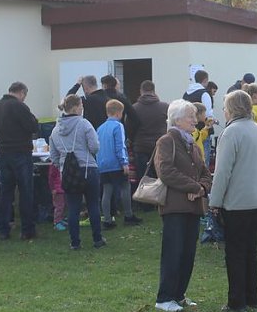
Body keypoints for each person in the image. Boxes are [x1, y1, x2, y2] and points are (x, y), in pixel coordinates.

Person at [209, 90, 257, 312]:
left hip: (237, 201)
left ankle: (237, 300)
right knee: (250, 250)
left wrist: (214, 202)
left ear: (232, 109)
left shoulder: (231, 132)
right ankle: (252, 296)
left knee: (235, 252)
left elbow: (222, 171)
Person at [153, 99, 213, 312]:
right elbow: (166, 171)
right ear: (177, 119)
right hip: (174, 207)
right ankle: (164, 297)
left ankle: (179, 294)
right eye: (190, 116)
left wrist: (201, 188)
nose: (195, 120)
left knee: (188, 252)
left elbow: (205, 172)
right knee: (173, 251)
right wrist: (193, 186)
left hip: (193, 207)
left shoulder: (192, 143)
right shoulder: (167, 141)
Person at [49, 95, 106, 250]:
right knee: (93, 204)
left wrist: (62, 164)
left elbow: (53, 155)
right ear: (75, 107)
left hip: (67, 173)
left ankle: (75, 242)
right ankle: (97, 239)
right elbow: (94, 147)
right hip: (87, 168)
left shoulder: (55, 130)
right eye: (81, 106)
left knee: (73, 208)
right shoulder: (84, 124)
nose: (82, 108)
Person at [0, 81, 40, 241]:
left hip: (2, 153)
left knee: (6, 191)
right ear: (22, 93)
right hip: (20, 152)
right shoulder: (19, 107)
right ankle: (27, 230)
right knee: (25, 191)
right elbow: (33, 127)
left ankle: (3, 229)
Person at [97, 99, 141, 229]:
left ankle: (107, 219)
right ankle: (128, 215)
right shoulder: (118, 126)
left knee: (107, 190)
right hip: (116, 163)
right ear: (118, 113)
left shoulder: (99, 128)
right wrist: (124, 162)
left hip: (103, 164)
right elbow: (120, 145)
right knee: (125, 187)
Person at [132, 80, 169, 186]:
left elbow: (129, 129)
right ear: (154, 91)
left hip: (140, 147)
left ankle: (143, 201)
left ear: (141, 91)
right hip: (160, 148)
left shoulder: (134, 108)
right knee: (160, 180)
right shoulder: (164, 107)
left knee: (144, 181)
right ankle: (159, 202)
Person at [100, 75, 141, 142]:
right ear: (116, 85)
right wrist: (128, 134)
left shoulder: (98, 98)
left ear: (104, 85)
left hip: (102, 134)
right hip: (119, 133)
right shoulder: (122, 99)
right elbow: (135, 119)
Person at [48, 160, 66, 231]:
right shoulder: (54, 164)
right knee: (59, 206)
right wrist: (53, 188)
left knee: (62, 206)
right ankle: (56, 222)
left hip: (63, 188)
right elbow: (51, 177)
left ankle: (60, 219)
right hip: (57, 189)